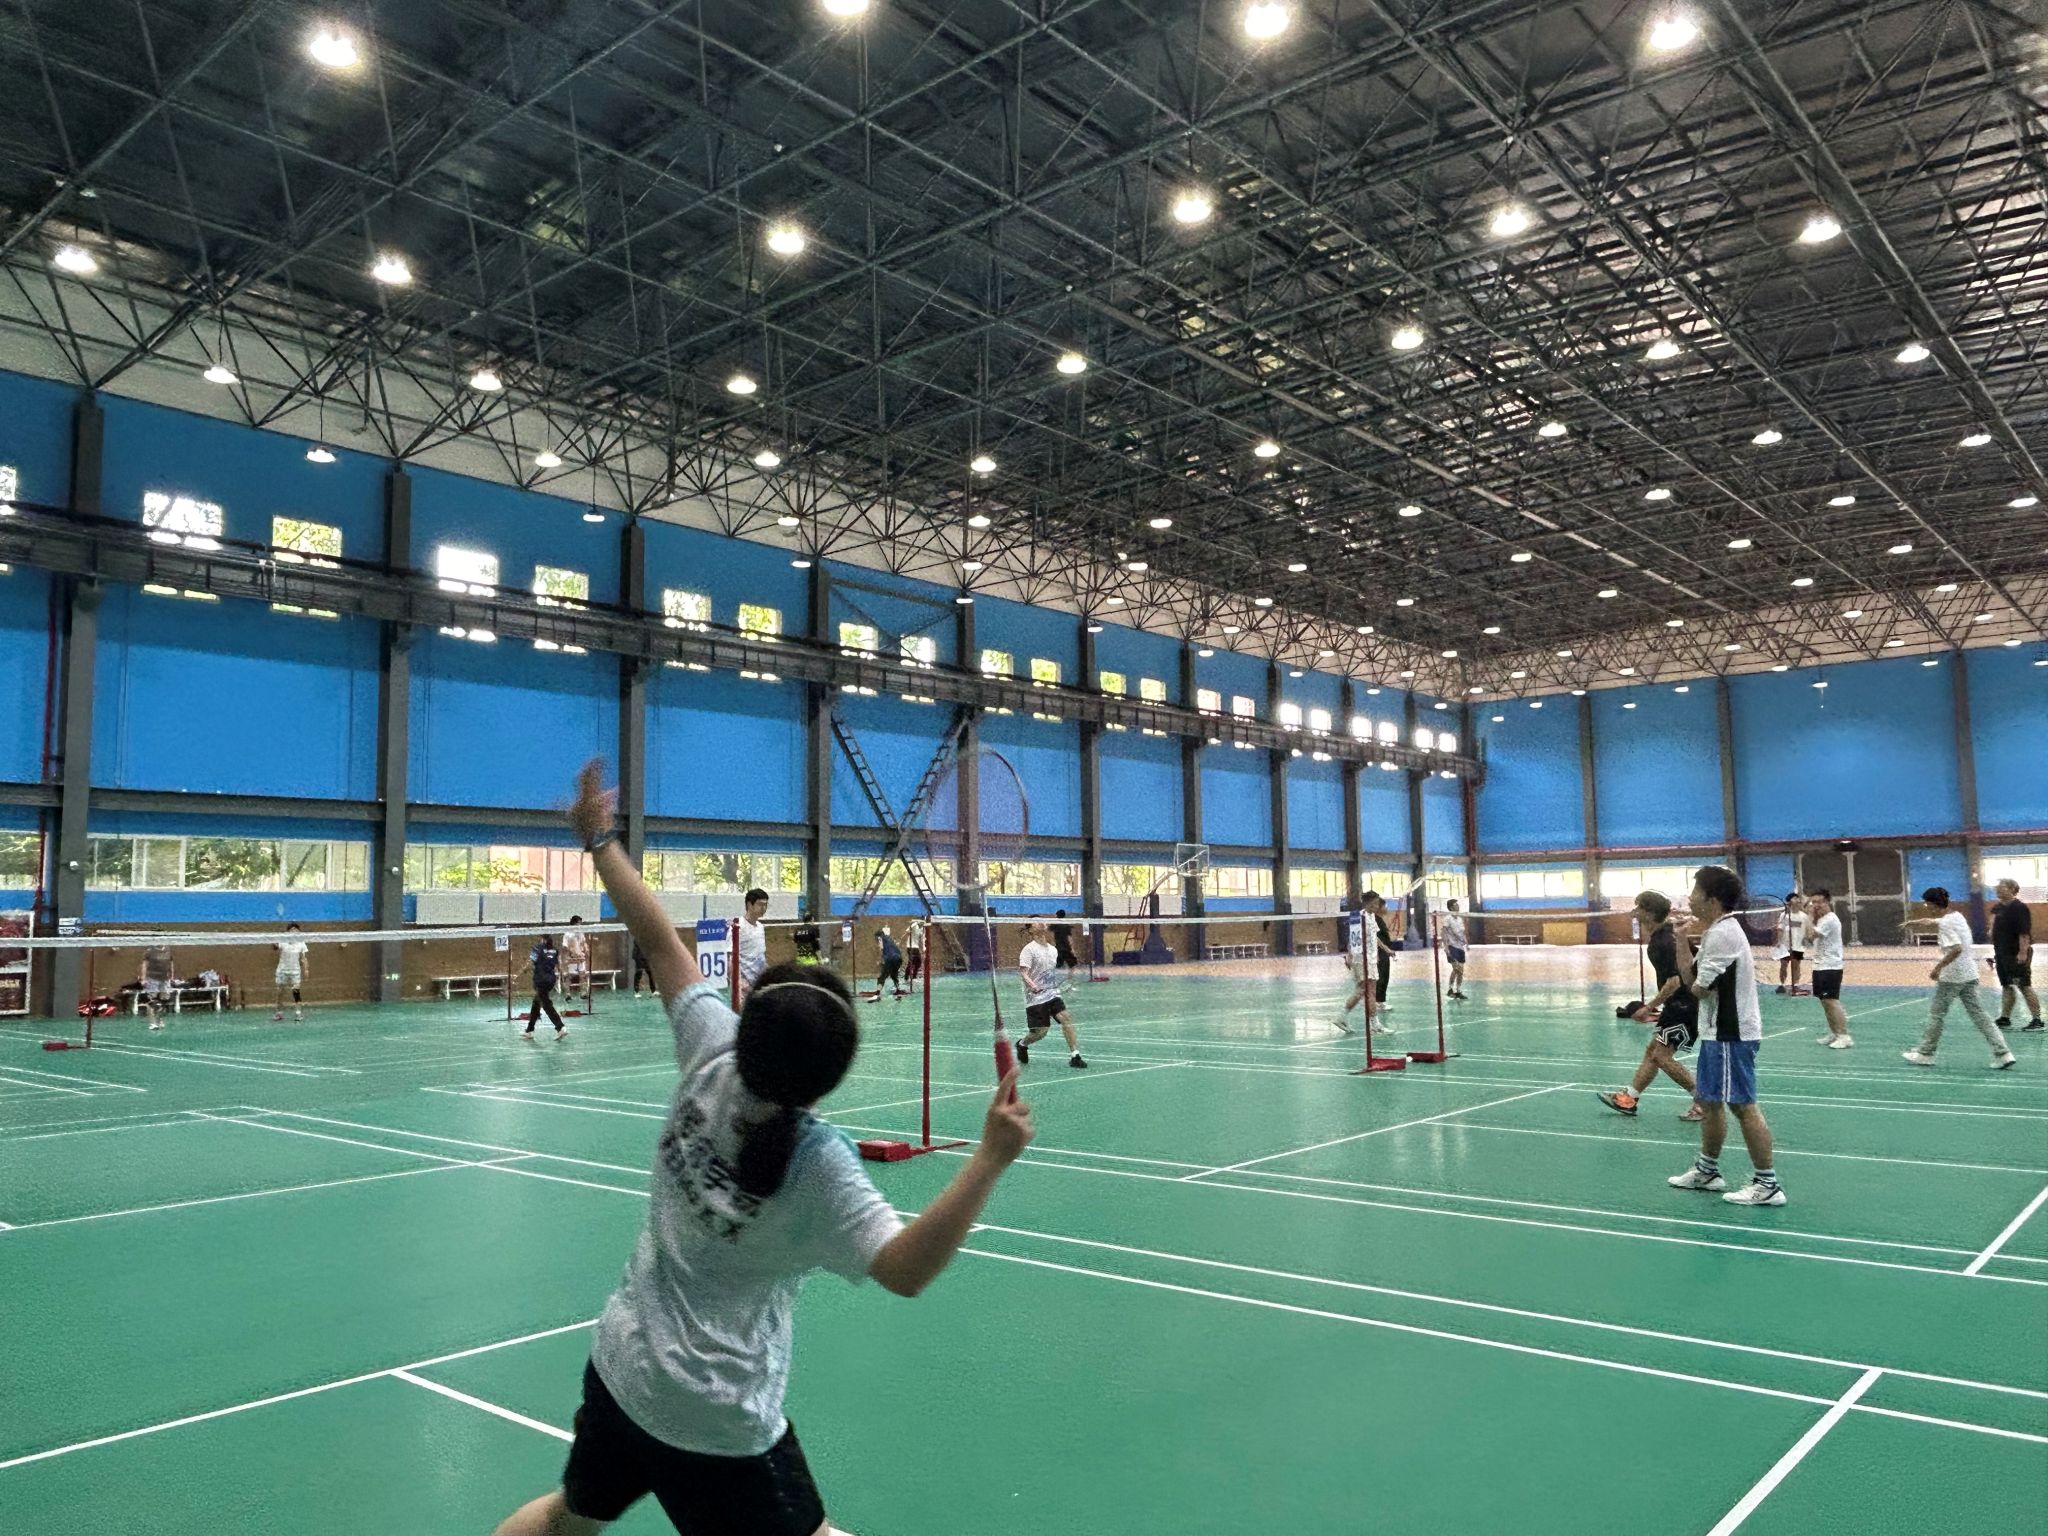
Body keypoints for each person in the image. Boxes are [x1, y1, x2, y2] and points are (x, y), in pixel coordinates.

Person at [490, 759, 1035, 1536]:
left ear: (749, 1027)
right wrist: (989, 1159)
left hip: (622, 1371)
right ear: (828, 1078)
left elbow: (658, 938)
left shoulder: (711, 1051)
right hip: (717, 1420)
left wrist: (600, 840)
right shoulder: (818, 1166)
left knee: (565, 1521)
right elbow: (905, 1270)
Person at [1667, 865, 1785, 1207]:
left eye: (1695, 891)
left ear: (1712, 899)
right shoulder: (1716, 931)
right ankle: (1707, 1171)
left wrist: (1693, 981)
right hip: (1716, 1033)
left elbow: (1698, 989)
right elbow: (1691, 978)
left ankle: (1768, 1184)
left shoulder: (1723, 935)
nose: (1690, 898)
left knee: (1742, 1106)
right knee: (1710, 1102)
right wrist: (1680, 940)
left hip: (1731, 1035)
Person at [1597, 891, 1702, 1120]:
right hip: (1678, 1006)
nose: (1635, 911)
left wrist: (1649, 1007)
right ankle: (1628, 1099)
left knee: (1662, 1057)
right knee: (1653, 1052)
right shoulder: (1666, 934)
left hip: (1684, 1007)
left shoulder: (1662, 943)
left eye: (1639, 907)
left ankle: (1704, 1100)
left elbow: (1674, 982)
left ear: (1650, 913)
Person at [1904, 887, 2015, 1070]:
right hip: (1970, 974)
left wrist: (1938, 968)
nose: (1926, 907)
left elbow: (1956, 949)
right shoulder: (1957, 916)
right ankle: (2003, 1053)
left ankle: (1925, 1054)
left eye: (1926, 904)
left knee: (1936, 1014)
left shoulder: (1946, 924)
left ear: (1932, 904)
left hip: (1952, 976)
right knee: (1980, 1015)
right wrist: (1922, 922)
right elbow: (1945, 922)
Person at [1015, 917, 1087, 1069]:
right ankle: (1022, 1044)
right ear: (1030, 930)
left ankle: (1075, 1055)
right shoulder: (1028, 950)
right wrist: (1033, 986)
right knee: (1040, 1032)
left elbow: (1050, 972)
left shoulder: (1053, 950)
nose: (1041, 922)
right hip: (1035, 997)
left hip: (1052, 993)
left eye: (1042, 920)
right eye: (1036, 921)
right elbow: (1023, 973)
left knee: (1066, 1018)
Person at [1990, 878, 2043, 1033]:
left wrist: (2023, 952)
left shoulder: (2019, 908)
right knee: (2006, 985)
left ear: (2012, 889)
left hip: (2016, 953)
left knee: (2024, 985)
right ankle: (2005, 1018)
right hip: (2002, 952)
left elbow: (2024, 933)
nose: (1998, 889)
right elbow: (1994, 928)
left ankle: (2037, 1020)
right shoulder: (1998, 907)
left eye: (2002, 887)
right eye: (1997, 887)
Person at [1806, 890, 1852, 1049]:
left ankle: (1844, 1036)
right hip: (1820, 965)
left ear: (1827, 902)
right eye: (1813, 902)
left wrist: (1809, 916)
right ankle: (1834, 1032)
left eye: (1819, 902)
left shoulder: (1830, 919)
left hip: (1830, 966)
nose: (1816, 905)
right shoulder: (1822, 919)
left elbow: (1810, 935)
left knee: (1831, 1001)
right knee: (1825, 1001)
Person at [1332, 899, 1373, 1035]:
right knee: (1362, 990)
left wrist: (1349, 957)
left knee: (1364, 990)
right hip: (1360, 959)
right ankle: (1341, 1017)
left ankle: (1344, 1017)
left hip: (1357, 959)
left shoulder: (1356, 921)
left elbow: (1351, 942)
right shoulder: (1363, 921)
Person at [524, 933, 568, 1040]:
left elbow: (530, 963)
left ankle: (560, 1027)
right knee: (536, 1003)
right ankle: (529, 1030)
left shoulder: (537, 948)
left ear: (542, 938)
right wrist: (563, 978)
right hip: (551, 980)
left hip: (541, 980)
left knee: (546, 1005)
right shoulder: (555, 950)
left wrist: (521, 972)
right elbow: (558, 966)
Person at [737, 888, 770, 1004]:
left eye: (766, 905)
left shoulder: (760, 927)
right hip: (743, 987)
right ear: (749, 905)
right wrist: (739, 981)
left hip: (758, 985)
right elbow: (730, 958)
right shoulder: (738, 926)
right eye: (760, 904)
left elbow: (761, 956)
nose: (764, 908)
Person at [272, 923, 309, 1023]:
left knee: (296, 991)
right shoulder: (283, 940)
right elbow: (275, 947)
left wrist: (306, 970)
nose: (294, 931)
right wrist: (274, 940)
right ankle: (279, 1013)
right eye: (292, 930)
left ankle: (298, 1013)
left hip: (295, 971)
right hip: (282, 970)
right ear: (288, 931)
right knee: (280, 992)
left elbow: (303, 958)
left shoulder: (301, 943)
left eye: (296, 930)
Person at [1772, 892, 1808, 995]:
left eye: (1798, 898)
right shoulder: (1784, 915)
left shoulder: (1804, 916)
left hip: (1798, 945)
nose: (1797, 900)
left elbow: (1807, 930)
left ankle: (1795, 985)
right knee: (1784, 965)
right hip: (1785, 945)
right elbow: (1780, 929)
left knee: (1796, 965)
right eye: (1794, 898)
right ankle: (1782, 984)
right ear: (1789, 902)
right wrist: (1779, 941)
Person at [139, 942, 174, 1031]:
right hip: (152, 978)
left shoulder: (168, 949)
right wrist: (143, 978)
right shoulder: (150, 950)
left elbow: (171, 963)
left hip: (165, 979)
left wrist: (172, 975)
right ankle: (152, 1023)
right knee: (152, 1001)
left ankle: (160, 1020)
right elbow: (144, 964)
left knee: (164, 1001)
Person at [1369, 891, 1394, 1011]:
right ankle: (1378, 1002)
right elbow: (1374, 938)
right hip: (1378, 953)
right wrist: (1384, 950)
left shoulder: (1379, 919)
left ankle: (1380, 1001)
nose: (1387, 908)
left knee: (1384, 976)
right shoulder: (1373, 919)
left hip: (1383, 953)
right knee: (1381, 977)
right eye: (1385, 906)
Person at [561, 915, 591, 1007]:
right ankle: (568, 994)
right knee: (570, 977)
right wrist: (571, 954)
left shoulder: (581, 933)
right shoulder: (567, 934)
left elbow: (583, 943)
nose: (580, 925)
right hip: (572, 958)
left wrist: (586, 950)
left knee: (583, 975)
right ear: (574, 923)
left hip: (581, 958)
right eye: (579, 923)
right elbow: (565, 946)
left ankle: (583, 993)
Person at [1442, 898, 1468, 1001]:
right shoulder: (1447, 919)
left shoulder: (1460, 919)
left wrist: (1466, 942)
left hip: (1460, 947)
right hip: (1451, 946)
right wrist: (1445, 947)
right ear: (1451, 907)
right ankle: (1450, 989)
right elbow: (1444, 933)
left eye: (1458, 904)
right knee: (1457, 968)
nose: (1458, 906)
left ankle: (1458, 991)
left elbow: (1462, 932)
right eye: (1456, 904)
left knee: (1460, 971)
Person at [874, 927, 905, 999]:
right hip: (898, 958)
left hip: (890, 958)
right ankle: (898, 990)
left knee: (882, 976)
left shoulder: (880, 938)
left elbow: (881, 948)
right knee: (894, 974)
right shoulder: (890, 939)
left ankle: (877, 994)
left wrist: (880, 960)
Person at [1050, 910, 1079, 979]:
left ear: (1056, 915)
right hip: (1066, 948)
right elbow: (1069, 938)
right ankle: (1069, 979)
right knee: (1072, 965)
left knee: (1055, 965)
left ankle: (1050, 978)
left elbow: (1051, 936)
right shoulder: (1066, 925)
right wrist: (1072, 948)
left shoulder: (1054, 925)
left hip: (1058, 948)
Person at [903, 915, 927, 989]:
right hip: (910, 946)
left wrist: (924, 948)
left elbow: (923, 939)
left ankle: (913, 977)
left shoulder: (923, 928)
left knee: (918, 962)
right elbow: (907, 931)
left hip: (916, 947)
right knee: (911, 962)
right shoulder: (914, 924)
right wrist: (907, 934)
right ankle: (906, 978)